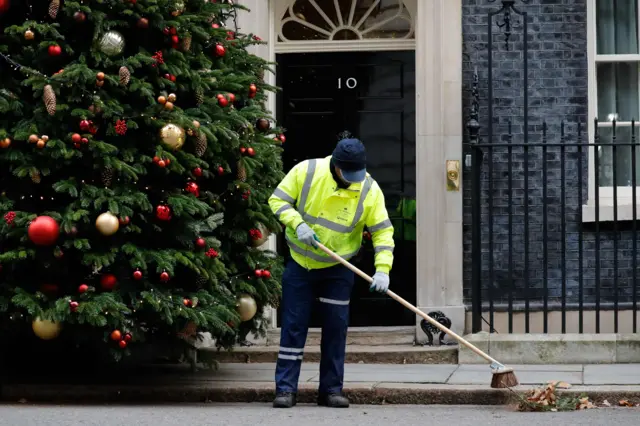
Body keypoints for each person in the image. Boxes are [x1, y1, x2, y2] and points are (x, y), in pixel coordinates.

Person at [268, 138, 395, 409]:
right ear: (335, 166)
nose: (352, 180)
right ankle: (285, 389)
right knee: (293, 327)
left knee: (336, 330)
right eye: (347, 174)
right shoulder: (306, 171)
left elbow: (383, 231)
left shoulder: (369, 189)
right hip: (300, 263)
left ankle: (331, 390)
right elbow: (277, 200)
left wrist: (382, 270)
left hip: (339, 268)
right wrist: (297, 223)